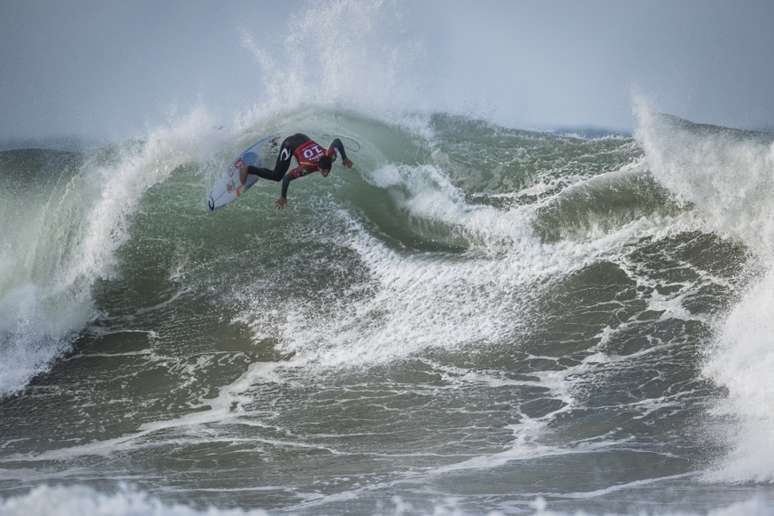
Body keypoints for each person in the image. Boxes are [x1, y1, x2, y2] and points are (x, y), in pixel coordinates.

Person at [238, 133, 353, 208]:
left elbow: (337, 141)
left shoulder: (330, 156)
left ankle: (273, 144)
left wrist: (345, 158)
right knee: (277, 176)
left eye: (327, 171)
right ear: (318, 167)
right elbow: (287, 178)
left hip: (303, 137)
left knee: (280, 164)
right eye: (323, 171)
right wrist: (283, 196)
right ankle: (248, 169)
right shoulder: (306, 168)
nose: (325, 174)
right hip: (289, 144)